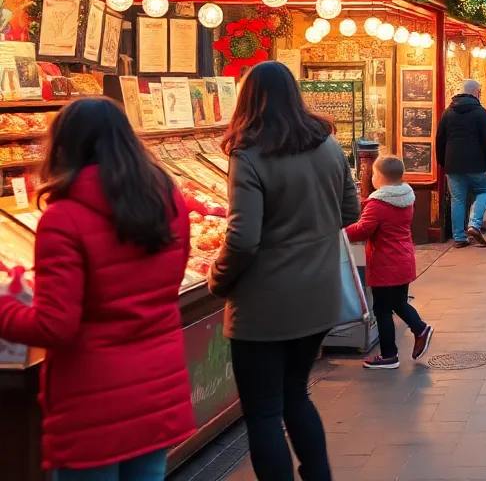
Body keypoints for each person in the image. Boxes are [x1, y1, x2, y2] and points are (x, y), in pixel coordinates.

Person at [0, 98, 194, 479]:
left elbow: (55, 325)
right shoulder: (169, 202)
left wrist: (5, 308)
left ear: (63, 148)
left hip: (92, 406)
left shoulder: (63, 218)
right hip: (156, 392)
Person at [210, 61, 360, 481]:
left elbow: (243, 239)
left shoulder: (248, 153)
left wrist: (219, 278)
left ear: (247, 98)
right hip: (318, 297)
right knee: (296, 394)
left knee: (263, 412)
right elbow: (350, 211)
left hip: (263, 305)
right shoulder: (326, 144)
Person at [344, 155, 434, 369]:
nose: (372, 177)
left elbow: (363, 229)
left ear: (381, 177)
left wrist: (341, 233)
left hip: (385, 263)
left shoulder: (378, 204)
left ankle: (389, 355)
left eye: (374, 173)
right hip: (403, 259)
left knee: (382, 309)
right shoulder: (406, 198)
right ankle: (419, 329)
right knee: (398, 302)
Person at [436, 79, 486, 247]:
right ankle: (474, 224)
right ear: (476, 92)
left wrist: (442, 161)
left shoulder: (448, 112)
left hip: (453, 164)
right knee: (483, 191)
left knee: (458, 200)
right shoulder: (480, 112)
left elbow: (440, 139)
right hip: (476, 163)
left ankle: (459, 238)